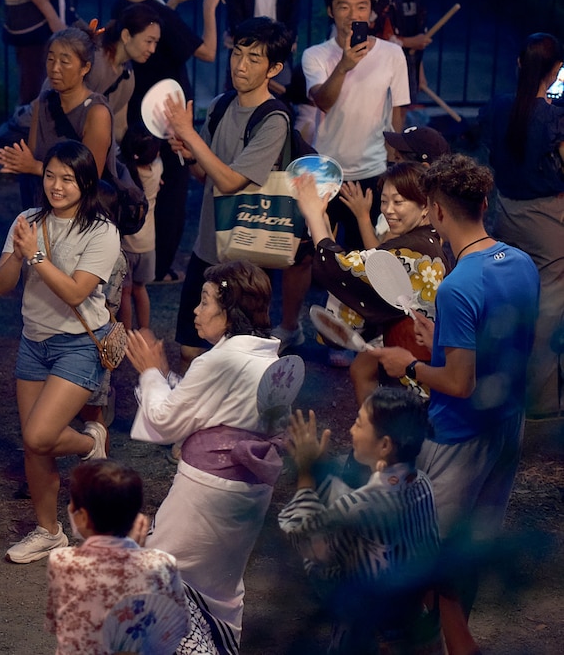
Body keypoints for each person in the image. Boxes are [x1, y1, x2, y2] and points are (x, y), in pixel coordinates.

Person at [371, 154, 539, 652]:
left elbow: (459, 383)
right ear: (484, 203)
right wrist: (438, 335)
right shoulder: (522, 262)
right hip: (507, 425)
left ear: (437, 212)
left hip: (458, 436)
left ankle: (444, 641)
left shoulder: (458, 286)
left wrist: (410, 364)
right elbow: (499, 343)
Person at [125, 260, 291, 653]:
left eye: (205, 302)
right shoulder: (272, 359)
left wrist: (150, 373)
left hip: (207, 490)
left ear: (229, 309)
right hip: (250, 492)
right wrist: (165, 380)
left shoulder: (220, 359)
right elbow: (209, 410)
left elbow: (166, 419)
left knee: (160, 574)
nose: (196, 311)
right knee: (223, 591)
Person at [0, 140, 120, 564]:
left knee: (38, 435)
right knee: (35, 448)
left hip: (79, 343)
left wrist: (36, 255)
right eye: (50, 175)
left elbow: (75, 291)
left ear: (85, 182)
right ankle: (48, 531)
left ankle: (88, 443)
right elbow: (0, 285)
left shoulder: (101, 231)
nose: (56, 185)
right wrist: (17, 255)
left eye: (67, 178)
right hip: (34, 340)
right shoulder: (27, 220)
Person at [161, 16, 293, 367]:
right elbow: (204, 175)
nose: (241, 65)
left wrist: (189, 136)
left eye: (254, 59)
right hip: (209, 245)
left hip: (249, 256)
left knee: (240, 357)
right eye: (237, 54)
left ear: (274, 68)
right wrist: (188, 152)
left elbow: (233, 182)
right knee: (189, 348)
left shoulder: (274, 119)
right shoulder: (221, 105)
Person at [278, 388, 441, 653]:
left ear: (385, 445)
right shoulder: (421, 484)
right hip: (419, 630)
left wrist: (306, 474)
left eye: (358, 423)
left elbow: (301, 535)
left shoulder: (360, 507)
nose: (351, 431)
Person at [114, 0, 227, 284]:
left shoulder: (126, 3)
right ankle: (157, 267)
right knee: (171, 192)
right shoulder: (158, 13)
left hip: (136, 110)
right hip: (165, 114)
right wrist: (209, 8)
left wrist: (175, 0)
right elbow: (206, 52)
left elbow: (156, 28)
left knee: (144, 182)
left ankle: (140, 258)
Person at [296, 162, 447, 403]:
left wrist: (314, 215)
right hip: (413, 352)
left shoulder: (413, 250)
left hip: (414, 368)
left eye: (398, 202)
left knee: (405, 425)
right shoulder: (422, 240)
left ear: (425, 207)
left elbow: (345, 268)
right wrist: (321, 218)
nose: (388, 210)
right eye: (384, 201)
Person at [479, 32, 564, 422]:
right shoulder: (553, 118)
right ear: (556, 70)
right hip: (548, 219)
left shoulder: (498, 107)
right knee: (547, 310)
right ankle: (542, 405)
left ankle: (500, 390)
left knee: (512, 301)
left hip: (507, 213)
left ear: (517, 65)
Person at [302, 0, 410, 251]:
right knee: (312, 253)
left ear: (371, 12)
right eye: (344, 6)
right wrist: (345, 65)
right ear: (330, 10)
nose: (353, 15)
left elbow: (399, 109)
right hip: (325, 169)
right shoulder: (315, 56)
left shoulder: (392, 54)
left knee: (367, 252)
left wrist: (395, 160)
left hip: (372, 168)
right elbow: (322, 100)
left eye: (362, 7)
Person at [46, 459, 189, 654]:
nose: (70, 508)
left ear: (83, 517)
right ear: (136, 517)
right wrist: (138, 550)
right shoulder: (162, 563)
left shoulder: (61, 560)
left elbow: (55, 623)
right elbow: (180, 626)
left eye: (71, 504)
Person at [0, 27, 115, 206]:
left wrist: (34, 167)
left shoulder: (96, 113)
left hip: (80, 211)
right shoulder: (43, 102)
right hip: (43, 201)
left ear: (85, 68)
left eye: (65, 62)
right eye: (50, 59)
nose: (55, 68)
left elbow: (90, 176)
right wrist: (19, 162)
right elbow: (35, 154)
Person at [1, 0, 90, 107]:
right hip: (33, 27)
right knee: (35, 88)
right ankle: (30, 127)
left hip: (62, 16)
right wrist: (55, 22)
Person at [87, 3, 162, 143]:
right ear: (126, 35)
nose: (152, 49)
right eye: (149, 41)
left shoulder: (127, 74)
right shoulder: (95, 63)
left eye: (156, 42)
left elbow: (119, 127)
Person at [224, 0, 300, 94]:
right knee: (240, 93)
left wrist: (285, 42)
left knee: (280, 96)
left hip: (276, 48)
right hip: (248, 48)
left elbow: (293, 19)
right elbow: (235, 19)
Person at [118, 125, 161, 331]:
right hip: (148, 245)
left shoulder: (123, 175)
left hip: (127, 246)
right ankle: (144, 330)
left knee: (124, 292)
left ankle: (125, 336)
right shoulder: (157, 168)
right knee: (140, 289)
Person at [373, 0, 431, 105]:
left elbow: (418, 34)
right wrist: (409, 42)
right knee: (389, 108)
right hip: (384, 62)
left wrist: (420, 69)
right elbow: (375, 32)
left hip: (410, 61)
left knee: (403, 108)